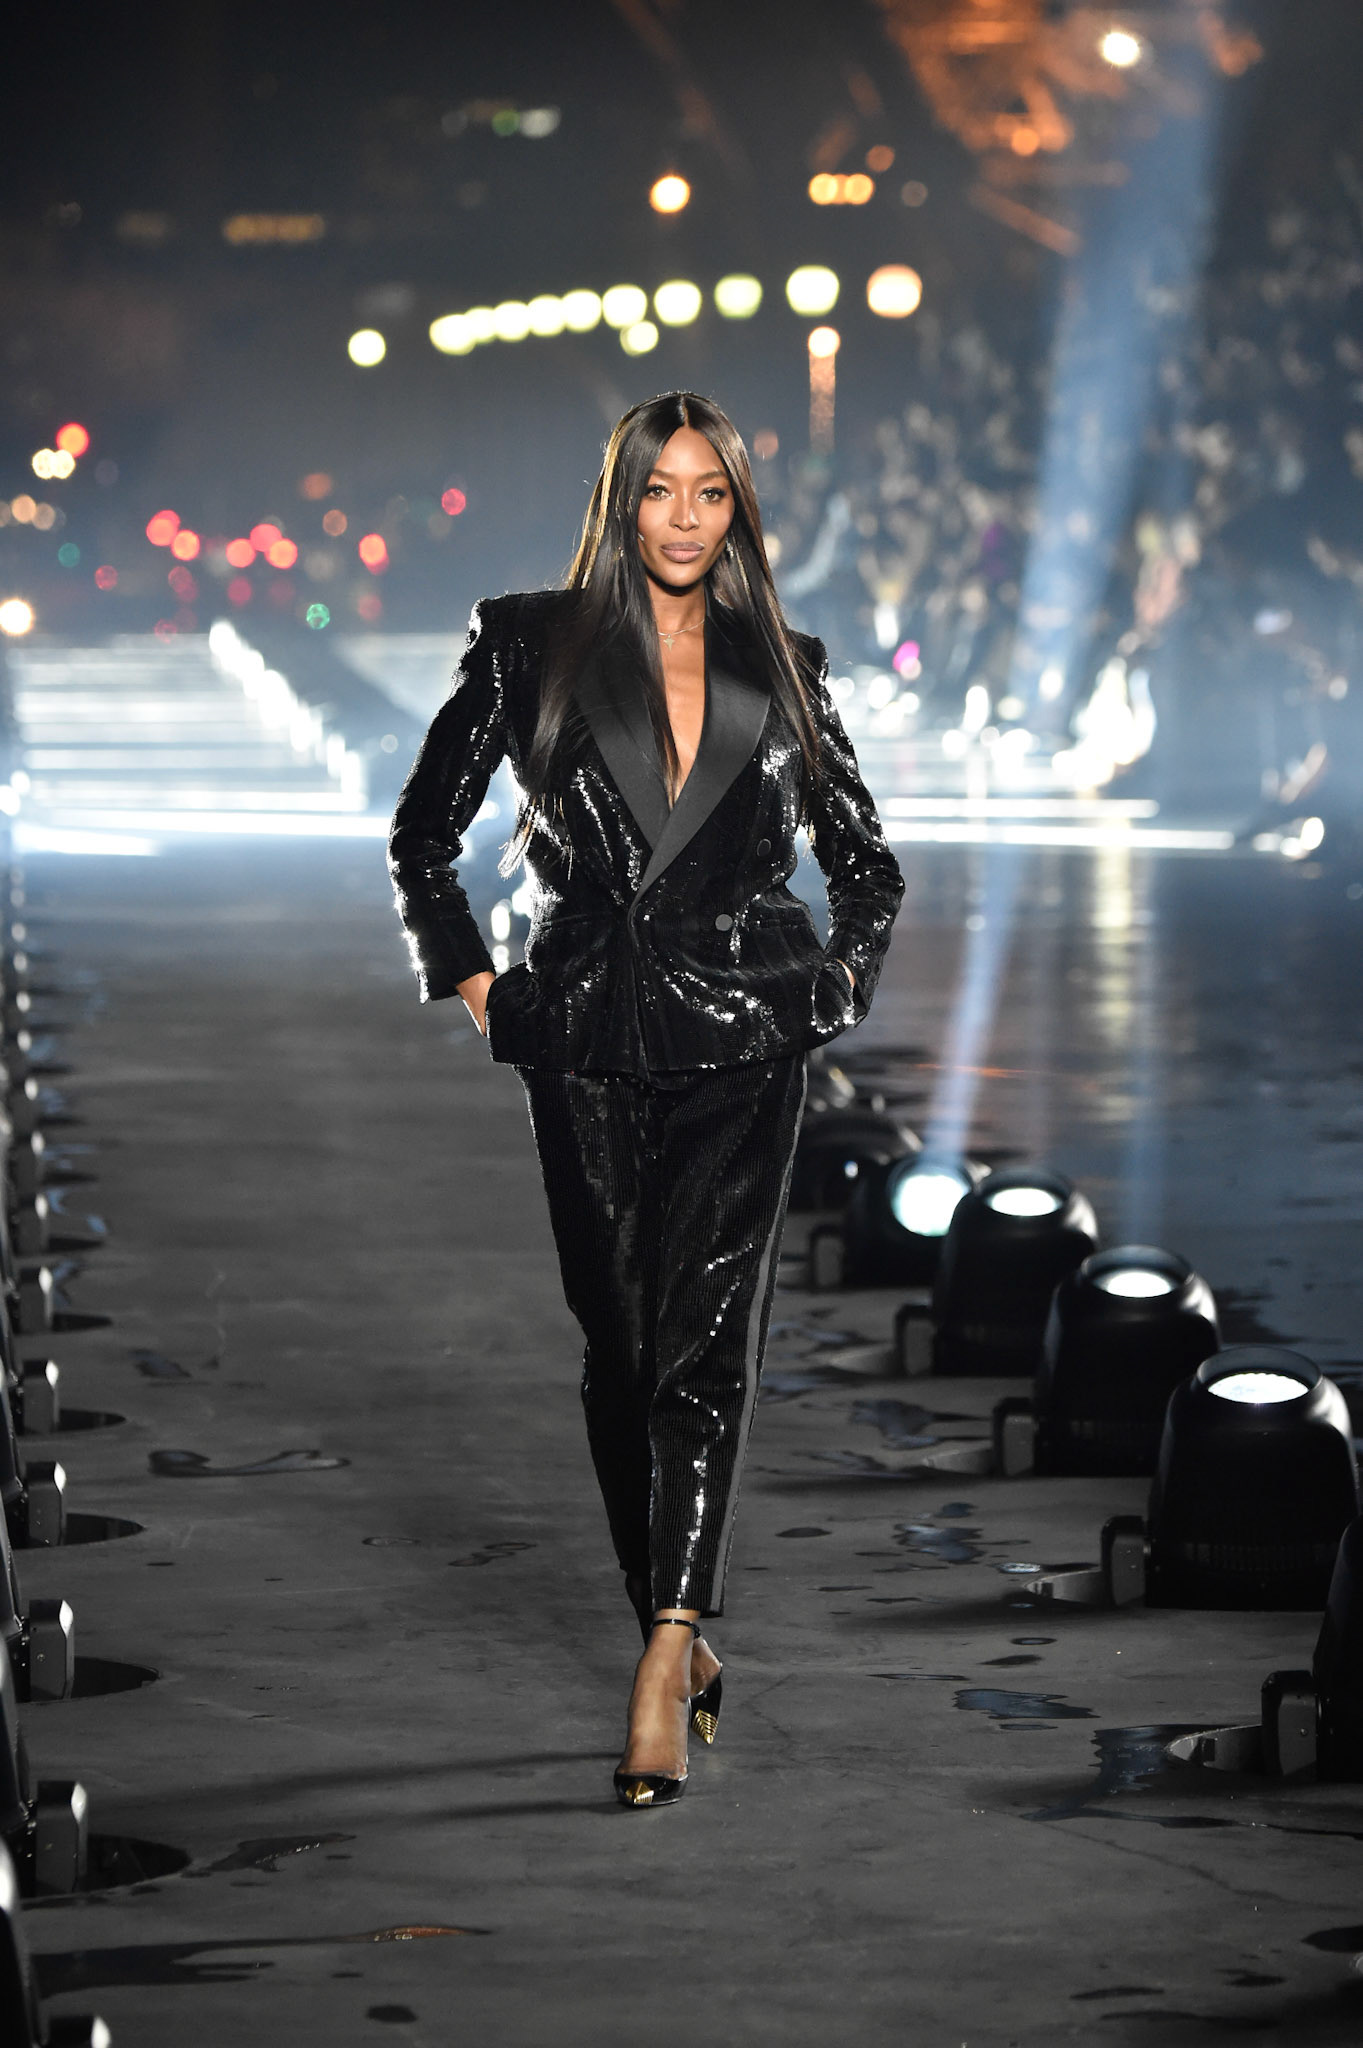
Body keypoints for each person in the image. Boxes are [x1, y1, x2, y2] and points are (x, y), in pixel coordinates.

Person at [389, 391, 903, 1807]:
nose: (685, 518)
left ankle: (662, 1656)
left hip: (746, 1041)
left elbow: (868, 868)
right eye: (662, 492)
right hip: (592, 1036)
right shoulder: (528, 645)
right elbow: (421, 834)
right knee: (620, 1346)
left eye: (712, 494)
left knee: (702, 1352)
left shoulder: (784, 669)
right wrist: (486, 989)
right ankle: (673, 1633)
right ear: (623, 503)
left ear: (740, 510)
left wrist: (823, 995)